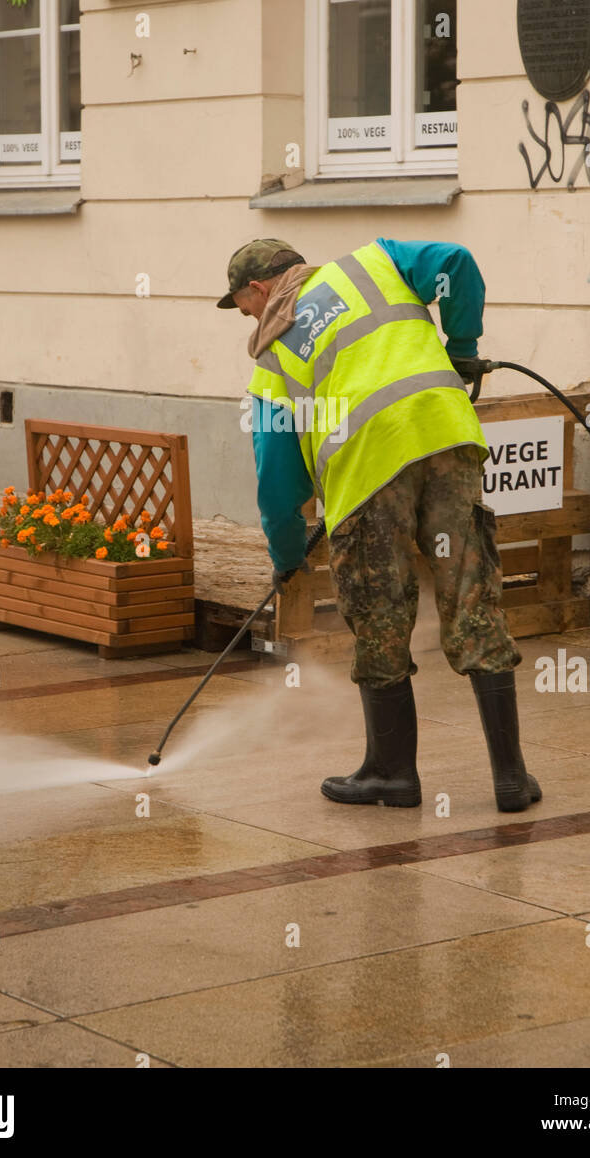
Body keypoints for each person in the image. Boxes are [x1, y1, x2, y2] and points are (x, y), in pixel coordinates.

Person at [217, 236, 540, 813]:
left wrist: (288, 556)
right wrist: (461, 348)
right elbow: (457, 262)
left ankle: (392, 775)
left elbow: (278, 484)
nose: (245, 316)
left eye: (241, 304)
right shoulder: (375, 262)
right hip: (447, 437)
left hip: (369, 478)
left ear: (259, 289)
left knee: (381, 614)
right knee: (474, 601)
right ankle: (511, 777)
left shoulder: (272, 362)